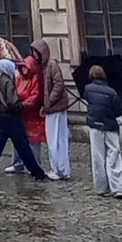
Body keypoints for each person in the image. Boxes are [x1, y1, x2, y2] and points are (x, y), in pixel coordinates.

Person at [0, 58, 48, 180]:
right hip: (12, 117)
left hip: (2, 116)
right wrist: (19, 107)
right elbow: (12, 101)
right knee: (23, 146)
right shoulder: (8, 81)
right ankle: (37, 172)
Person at [84, 63, 122, 199]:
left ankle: (101, 187)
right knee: (113, 155)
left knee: (97, 156)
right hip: (110, 126)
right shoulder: (112, 92)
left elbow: (88, 101)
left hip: (94, 126)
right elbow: (117, 111)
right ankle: (118, 188)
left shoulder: (87, 89)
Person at [35, 39, 73, 181]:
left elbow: (58, 85)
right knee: (59, 139)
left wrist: (48, 103)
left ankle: (59, 169)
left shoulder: (51, 65)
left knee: (55, 139)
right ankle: (61, 169)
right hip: (54, 107)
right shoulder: (45, 66)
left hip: (55, 108)